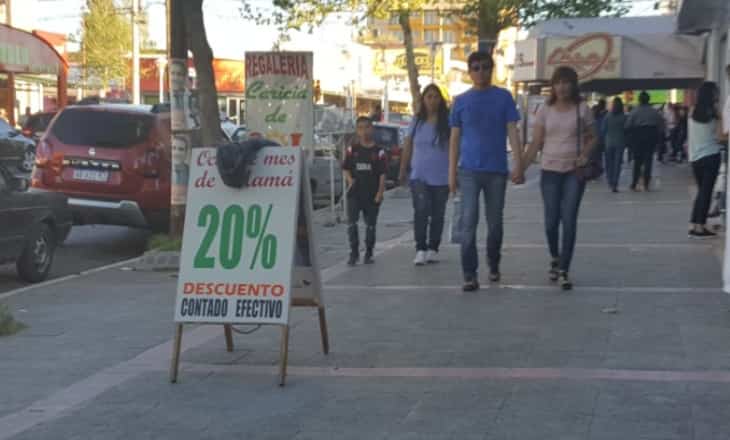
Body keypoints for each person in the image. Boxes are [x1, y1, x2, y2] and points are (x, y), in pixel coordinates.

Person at [448, 51, 524, 291]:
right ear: (469, 72)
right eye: (476, 68)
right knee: (468, 221)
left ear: (492, 70)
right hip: (468, 171)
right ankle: (469, 274)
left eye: (485, 67)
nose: (481, 72)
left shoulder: (504, 97)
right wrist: (451, 173)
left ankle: (493, 262)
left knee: (495, 224)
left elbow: (512, 131)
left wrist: (519, 163)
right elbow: (454, 139)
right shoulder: (460, 101)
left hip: (496, 171)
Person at [521, 66, 596, 290]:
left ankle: (564, 269)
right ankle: (555, 256)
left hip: (574, 171)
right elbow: (536, 143)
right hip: (550, 171)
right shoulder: (545, 110)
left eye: (566, 82)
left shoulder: (582, 109)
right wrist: (520, 168)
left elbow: (594, 137)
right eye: (558, 82)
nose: (562, 87)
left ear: (573, 85)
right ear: (553, 86)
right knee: (551, 221)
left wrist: (585, 154)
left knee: (569, 219)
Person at [399, 84, 450, 266]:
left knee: (438, 214)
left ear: (440, 100)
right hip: (419, 175)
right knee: (421, 211)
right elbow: (408, 145)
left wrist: (455, 172)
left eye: (436, 97)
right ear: (423, 99)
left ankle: (433, 248)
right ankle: (420, 248)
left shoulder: (448, 122)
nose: (432, 100)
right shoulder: (417, 121)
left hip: (442, 177)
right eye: (429, 96)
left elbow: (456, 147)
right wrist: (403, 169)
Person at [343, 116, 387, 265]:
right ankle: (354, 253)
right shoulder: (352, 149)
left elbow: (382, 174)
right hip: (355, 194)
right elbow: (346, 168)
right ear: (357, 130)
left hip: (372, 194)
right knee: (352, 223)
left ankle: (369, 252)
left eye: (367, 127)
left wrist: (380, 193)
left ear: (372, 129)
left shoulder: (379, 152)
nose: (364, 131)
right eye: (360, 128)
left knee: (370, 225)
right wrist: (350, 180)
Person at [688, 82, 727, 238]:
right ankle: (700, 226)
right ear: (712, 95)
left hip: (695, 158)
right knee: (706, 192)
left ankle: (694, 224)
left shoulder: (692, 111)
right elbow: (721, 136)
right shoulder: (714, 113)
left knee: (702, 193)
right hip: (711, 156)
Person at [625, 91, 664, 191]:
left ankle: (634, 183)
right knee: (648, 160)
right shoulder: (654, 111)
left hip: (638, 136)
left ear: (639, 100)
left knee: (637, 161)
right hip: (651, 136)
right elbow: (661, 125)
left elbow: (628, 125)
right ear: (648, 100)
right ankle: (646, 183)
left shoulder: (635, 111)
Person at [602, 97, 627, 192]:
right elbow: (627, 130)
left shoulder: (607, 116)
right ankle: (615, 183)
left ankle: (610, 180)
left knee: (609, 163)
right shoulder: (624, 117)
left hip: (608, 142)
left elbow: (603, 130)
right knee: (617, 164)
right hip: (620, 142)